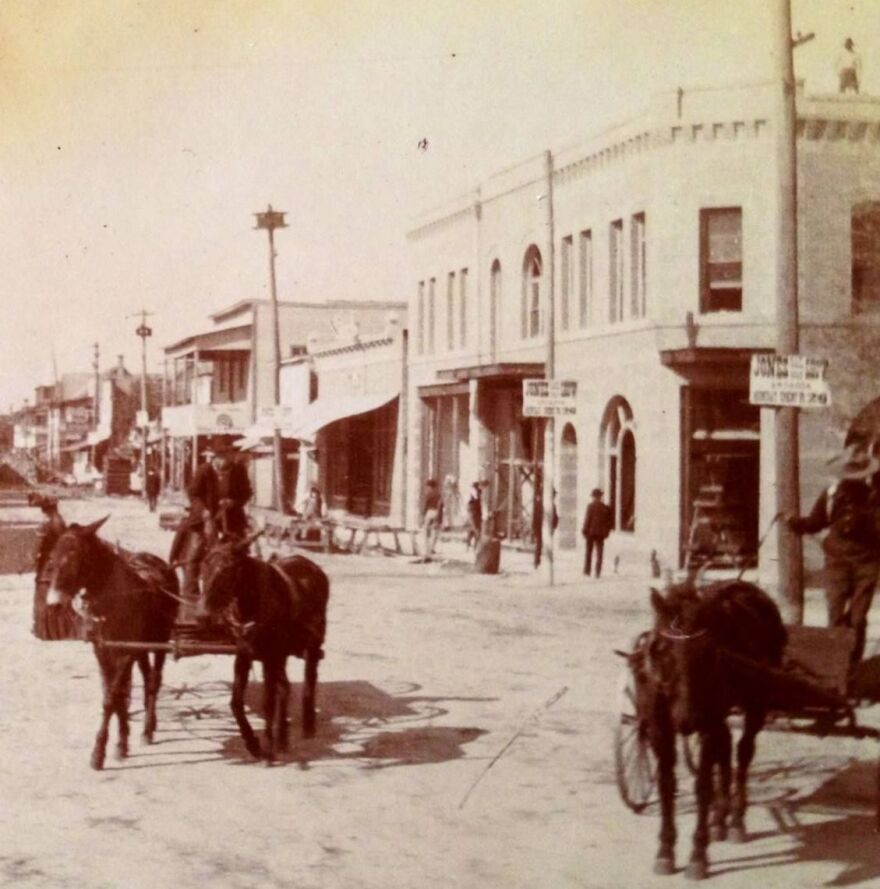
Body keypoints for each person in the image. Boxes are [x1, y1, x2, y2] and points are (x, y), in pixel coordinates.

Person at [787, 446, 880, 669]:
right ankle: (838, 669)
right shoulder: (831, 495)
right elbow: (816, 522)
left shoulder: (875, 497)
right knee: (836, 616)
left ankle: (853, 667)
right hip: (837, 563)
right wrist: (795, 523)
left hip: (866, 563)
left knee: (857, 619)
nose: (853, 479)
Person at [169, 441, 253, 620]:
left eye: (230, 455)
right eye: (223, 456)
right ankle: (191, 603)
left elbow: (246, 493)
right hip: (203, 519)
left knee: (237, 556)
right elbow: (193, 494)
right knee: (193, 557)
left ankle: (237, 602)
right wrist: (204, 510)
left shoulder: (238, 471)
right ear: (215, 457)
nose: (227, 459)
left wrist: (233, 502)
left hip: (231, 519)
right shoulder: (204, 471)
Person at [29, 494, 75, 640]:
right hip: (59, 562)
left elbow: (37, 547)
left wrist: (32, 557)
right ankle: (62, 630)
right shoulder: (60, 521)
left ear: (44, 509)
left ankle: (45, 632)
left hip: (47, 565)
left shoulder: (45, 524)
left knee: (43, 595)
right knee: (58, 594)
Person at [582, 488, 613, 578]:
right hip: (600, 534)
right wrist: (606, 532)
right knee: (599, 553)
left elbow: (587, 520)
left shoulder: (590, 506)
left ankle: (587, 571)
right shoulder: (605, 507)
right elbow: (610, 523)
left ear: (594, 497)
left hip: (590, 533)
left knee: (588, 552)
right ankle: (597, 572)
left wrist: (584, 531)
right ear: (600, 497)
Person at [419, 478, 443, 561]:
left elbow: (425, 506)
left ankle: (426, 550)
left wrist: (422, 516)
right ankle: (431, 548)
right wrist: (439, 519)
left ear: (429, 486)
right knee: (434, 532)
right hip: (436, 512)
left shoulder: (428, 494)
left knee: (425, 532)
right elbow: (441, 507)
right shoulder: (439, 495)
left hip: (429, 512)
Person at [465, 481, 483, 549]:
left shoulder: (475, 492)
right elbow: (476, 499)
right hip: (474, 511)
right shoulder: (474, 492)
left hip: (475, 511)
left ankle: (470, 544)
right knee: (476, 528)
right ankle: (475, 545)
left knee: (473, 528)